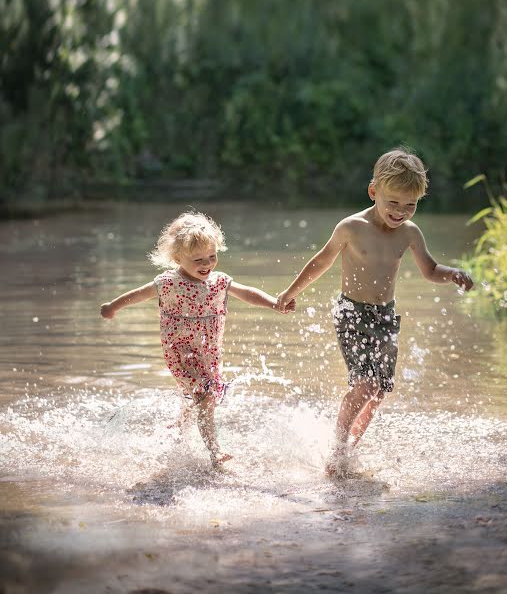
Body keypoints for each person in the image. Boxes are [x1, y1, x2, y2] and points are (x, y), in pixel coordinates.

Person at [276, 147, 473, 475]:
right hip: (352, 312)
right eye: (392, 202)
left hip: (385, 317)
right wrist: (289, 293)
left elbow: (430, 270)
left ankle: (350, 451)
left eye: (409, 205)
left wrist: (451, 273)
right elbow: (321, 261)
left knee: (378, 392)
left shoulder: (410, 233)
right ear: (373, 192)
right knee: (365, 385)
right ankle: (337, 452)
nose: (400, 211)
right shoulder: (351, 227)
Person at [101, 211, 295, 467]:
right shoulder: (168, 283)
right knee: (205, 396)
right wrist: (113, 307)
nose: (207, 264)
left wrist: (273, 304)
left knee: (197, 394)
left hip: (209, 354)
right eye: (198, 259)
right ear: (177, 258)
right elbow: (136, 295)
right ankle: (215, 451)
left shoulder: (220, 281)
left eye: (212, 256)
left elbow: (247, 293)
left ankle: (180, 425)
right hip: (179, 353)